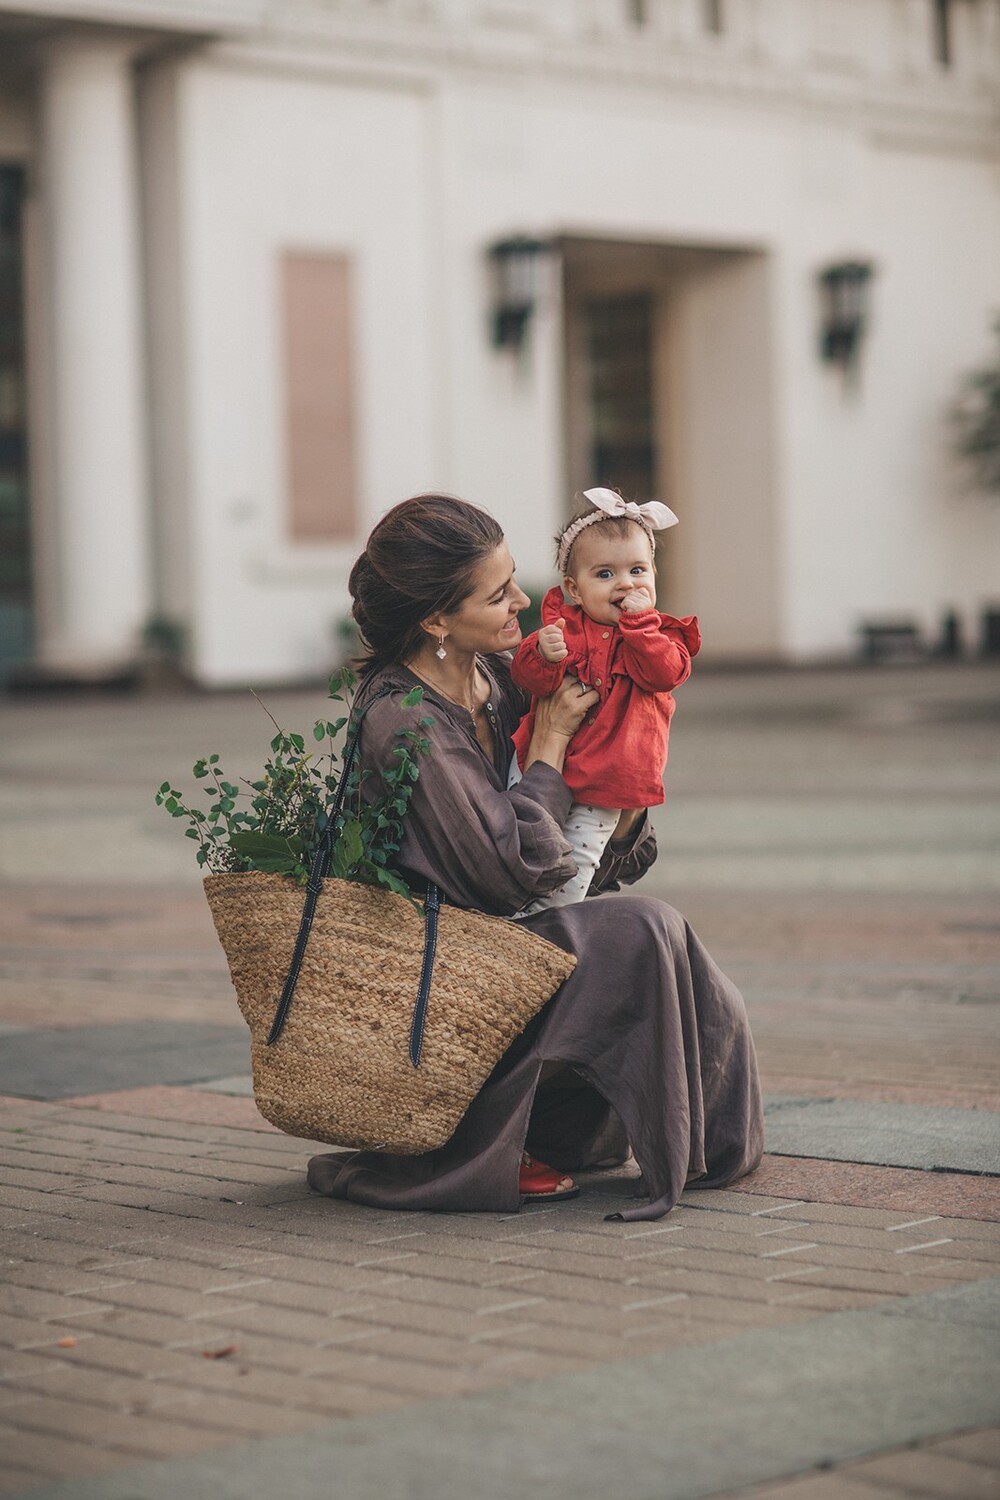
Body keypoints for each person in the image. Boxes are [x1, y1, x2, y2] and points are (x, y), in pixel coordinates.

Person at [307, 493, 763, 1221]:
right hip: (450, 966)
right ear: (435, 620)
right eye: (498, 594)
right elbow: (503, 873)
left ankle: (699, 1140)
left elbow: (589, 866)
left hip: (520, 934)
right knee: (640, 930)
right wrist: (549, 746)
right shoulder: (405, 719)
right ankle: (490, 1138)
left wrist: (630, 785)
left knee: (667, 940)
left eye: (515, 577)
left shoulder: (502, 680)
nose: (524, 600)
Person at [509, 486, 700, 913]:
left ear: (654, 575)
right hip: (540, 765)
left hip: (607, 781)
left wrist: (640, 627)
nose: (625, 584)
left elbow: (665, 672)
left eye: (637, 570)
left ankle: (550, 924)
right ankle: (514, 913)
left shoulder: (659, 636)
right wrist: (542, 654)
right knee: (518, 837)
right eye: (605, 574)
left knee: (578, 860)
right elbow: (529, 680)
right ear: (574, 589)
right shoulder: (563, 627)